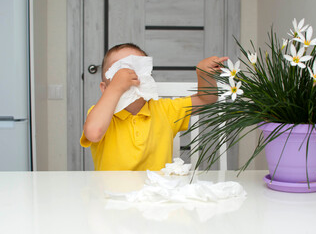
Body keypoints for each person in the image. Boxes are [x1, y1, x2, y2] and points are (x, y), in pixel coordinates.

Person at [80, 43, 228, 171]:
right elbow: (94, 133)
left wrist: (204, 74)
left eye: (136, 69)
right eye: (119, 73)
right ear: (105, 88)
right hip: (112, 198)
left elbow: (206, 99)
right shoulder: (100, 114)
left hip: (157, 196)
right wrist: (116, 88)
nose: (127, 77)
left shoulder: (165, 110)